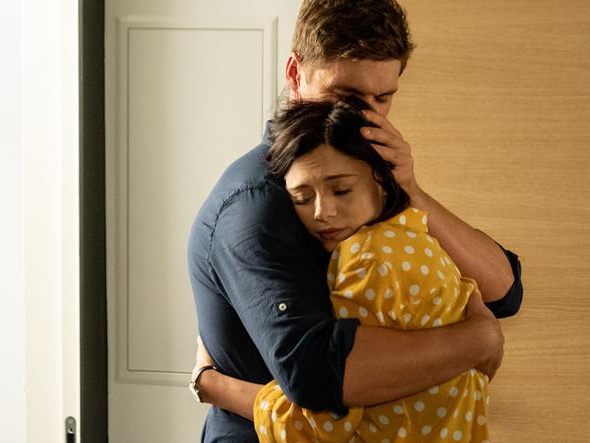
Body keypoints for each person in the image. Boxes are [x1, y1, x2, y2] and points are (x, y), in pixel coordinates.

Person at [187, 1, 522, 441]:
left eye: (383, 98)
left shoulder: (370, 180)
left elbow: (504, 292)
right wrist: (478, 342)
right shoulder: (254, 204)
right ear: (295, 74)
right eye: (346, 97)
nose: (368, 117)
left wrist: (412, 192)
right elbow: (317, 377)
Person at [247, 97, 497, 442]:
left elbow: (330, 417)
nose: (322, 212)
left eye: (341, 190)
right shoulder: (419, 240)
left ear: (381, 178)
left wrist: (217, 386)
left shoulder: (365, 260)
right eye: (302, 199)